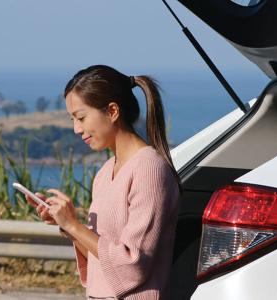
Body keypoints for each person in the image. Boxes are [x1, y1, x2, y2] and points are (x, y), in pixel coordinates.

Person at [25, 65, 181, 300]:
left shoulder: (149, 170)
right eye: (73, 120)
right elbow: (102, 260)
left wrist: (76, 227)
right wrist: (68, 226)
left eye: (81, 117)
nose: (76, 129)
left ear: (112, 111)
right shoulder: (105, 172)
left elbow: (132, 264)